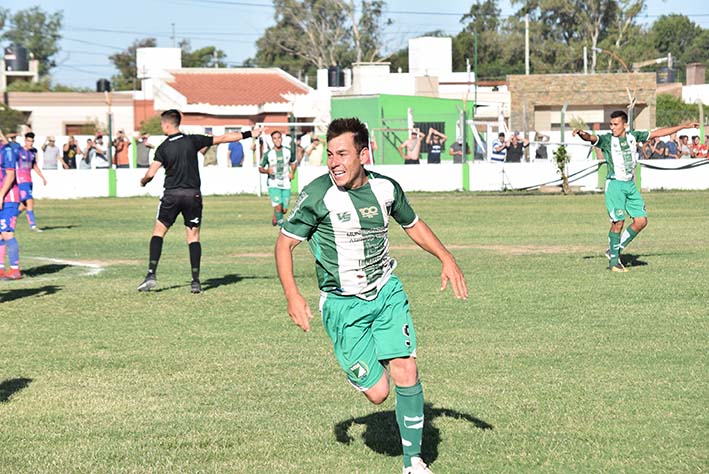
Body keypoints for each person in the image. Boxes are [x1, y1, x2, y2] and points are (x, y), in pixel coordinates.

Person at [275, 117, 467, 474]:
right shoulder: (318, 195)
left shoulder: (386, 189)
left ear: (364, 154)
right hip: (342, 305)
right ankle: (359, 366)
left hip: (386, 292)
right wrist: (292, 295)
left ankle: (414, 463)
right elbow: (284, 244)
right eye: (330, 154)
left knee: (406, 368)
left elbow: (414, 224)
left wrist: (446, 257)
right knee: (378, 393)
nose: (334, 162)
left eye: (342, 154)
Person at [136, 109, 263, 293]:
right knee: (193, 236)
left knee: (158, 233)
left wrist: (143, 181)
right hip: (192, 195)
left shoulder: (163, 147)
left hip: (171, 195)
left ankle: (150, 274)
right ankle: (195, 281)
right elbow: (223, 138)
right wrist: (249, 133)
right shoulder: (192, 140)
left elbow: (151, 173)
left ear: (166, 124)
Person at [573, 111, 697, 272]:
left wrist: (684, 127)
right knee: (618, 222)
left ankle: (613, 250)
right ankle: (614, 262)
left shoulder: (634, 136)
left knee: (641, 221)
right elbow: (591, 138)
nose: (612, 127)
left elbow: (658, 133)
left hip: (630, 185)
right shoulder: (607, 139)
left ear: (625, 125)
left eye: (616, 124)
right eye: (611, 124)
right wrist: (582, 133)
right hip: (615, 184)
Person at [259, 131, 296, 227]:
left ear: (281, 138)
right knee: (279, 207)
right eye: (274, 138)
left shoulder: (288, 151)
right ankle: (282, 228)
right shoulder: (268, 154)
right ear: (272, 140)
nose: (277, 140)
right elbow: (260, 168)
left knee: (284, 210)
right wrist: (267, 171)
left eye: (278, 137)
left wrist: (292, 172)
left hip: (286, 183)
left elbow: (294, 162)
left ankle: (276, 214)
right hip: (273, 183)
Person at [0, 131, 23, 280]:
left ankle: (15, 270)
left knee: (7, 233)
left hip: (9, 198)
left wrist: (1, 195)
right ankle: (1, 269)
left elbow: (11, 175)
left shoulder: (6, 151)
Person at [17, 132, 47, 232]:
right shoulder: (19, 151)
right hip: (21, 180)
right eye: (28, 141)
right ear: (25, 141)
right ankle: (33, 226)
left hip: (29, 180)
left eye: (32, 141)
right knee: (30, 201)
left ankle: (7, 218)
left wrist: (42, 177)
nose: (30, 143)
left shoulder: (33, 152)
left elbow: (34, 166)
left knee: (23, 205)